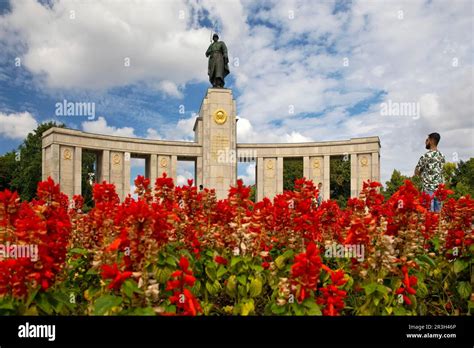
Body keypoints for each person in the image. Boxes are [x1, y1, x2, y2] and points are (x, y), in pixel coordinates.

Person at [414, 132, 446, 212]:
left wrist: (421, 172)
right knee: (438, 216)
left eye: (427, 140)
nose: (425, 142)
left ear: (431, 141)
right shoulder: (442, 156)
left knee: (428, 216)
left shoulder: (425, 156)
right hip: (439, 190)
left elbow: (416, 172)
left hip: (428, 190)